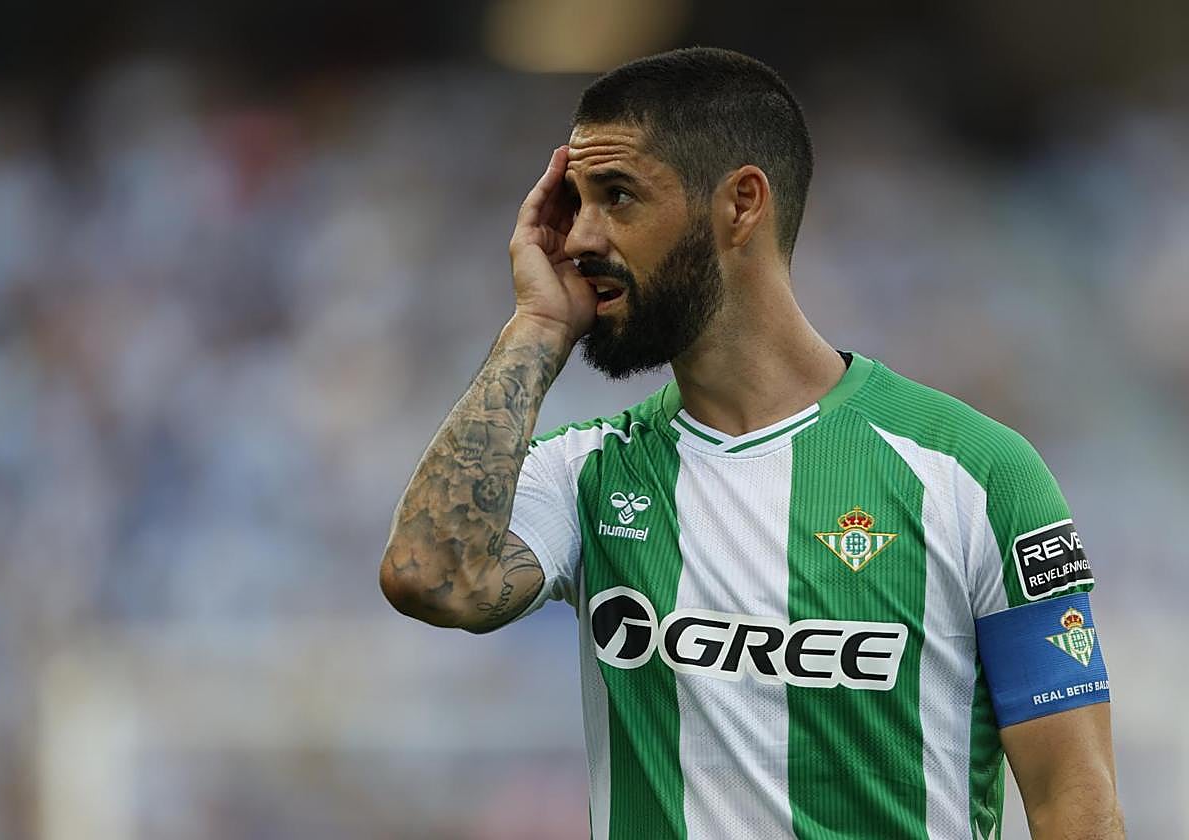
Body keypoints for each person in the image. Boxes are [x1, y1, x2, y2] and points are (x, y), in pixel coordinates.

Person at [380, 47, 1123, 839]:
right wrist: (534, 328)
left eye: (618, 197)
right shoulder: (589, 472)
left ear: (741, 204)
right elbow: (431, 580)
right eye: (576, 202)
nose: (582, 239)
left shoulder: (975, 473)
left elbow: (1074, 803)